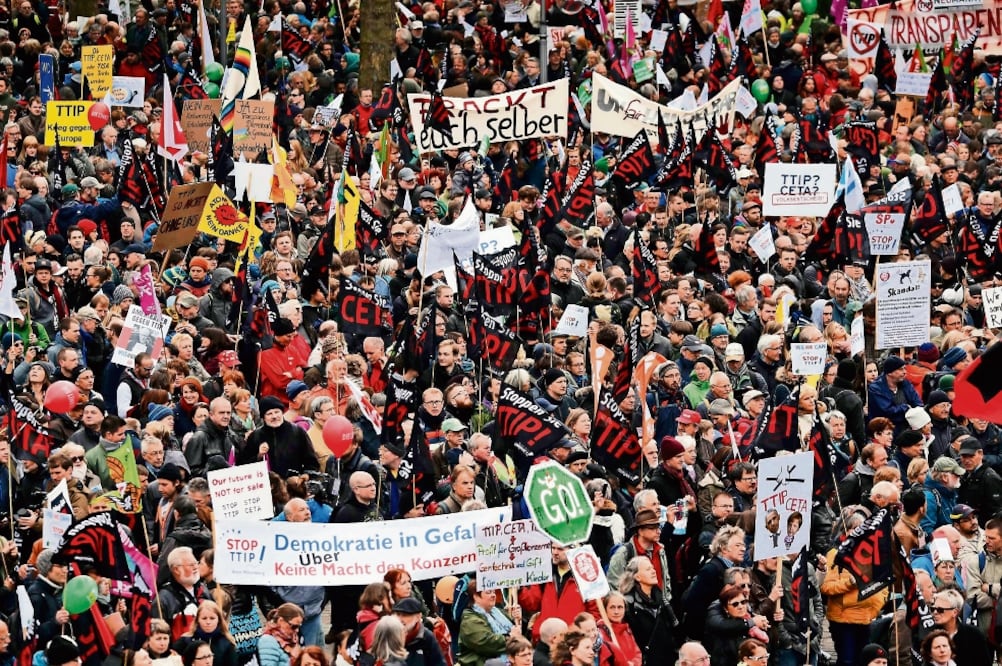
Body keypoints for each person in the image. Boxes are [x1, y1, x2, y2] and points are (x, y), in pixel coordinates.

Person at [620, 556, 677, 665]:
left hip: (667, 659)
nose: (653, 571)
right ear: (637, 577)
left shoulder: (661, 597)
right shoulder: (628, 604)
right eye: (648, 569)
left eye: (652, 568)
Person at [459, 579, 522, 666]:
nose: (493, 595)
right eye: (488, 592)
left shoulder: (500, 612)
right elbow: (486, 643)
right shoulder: (470, 620)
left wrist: (518, 620)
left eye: (494, 592)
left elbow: (518, 633)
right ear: (476, 597)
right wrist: (511, 638)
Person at [174, 600, 238, 666]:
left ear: (218, 620)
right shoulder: (187, 639)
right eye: (204, 618)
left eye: (212, 618)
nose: (208, 622)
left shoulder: (226, 642)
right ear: (198, 620)